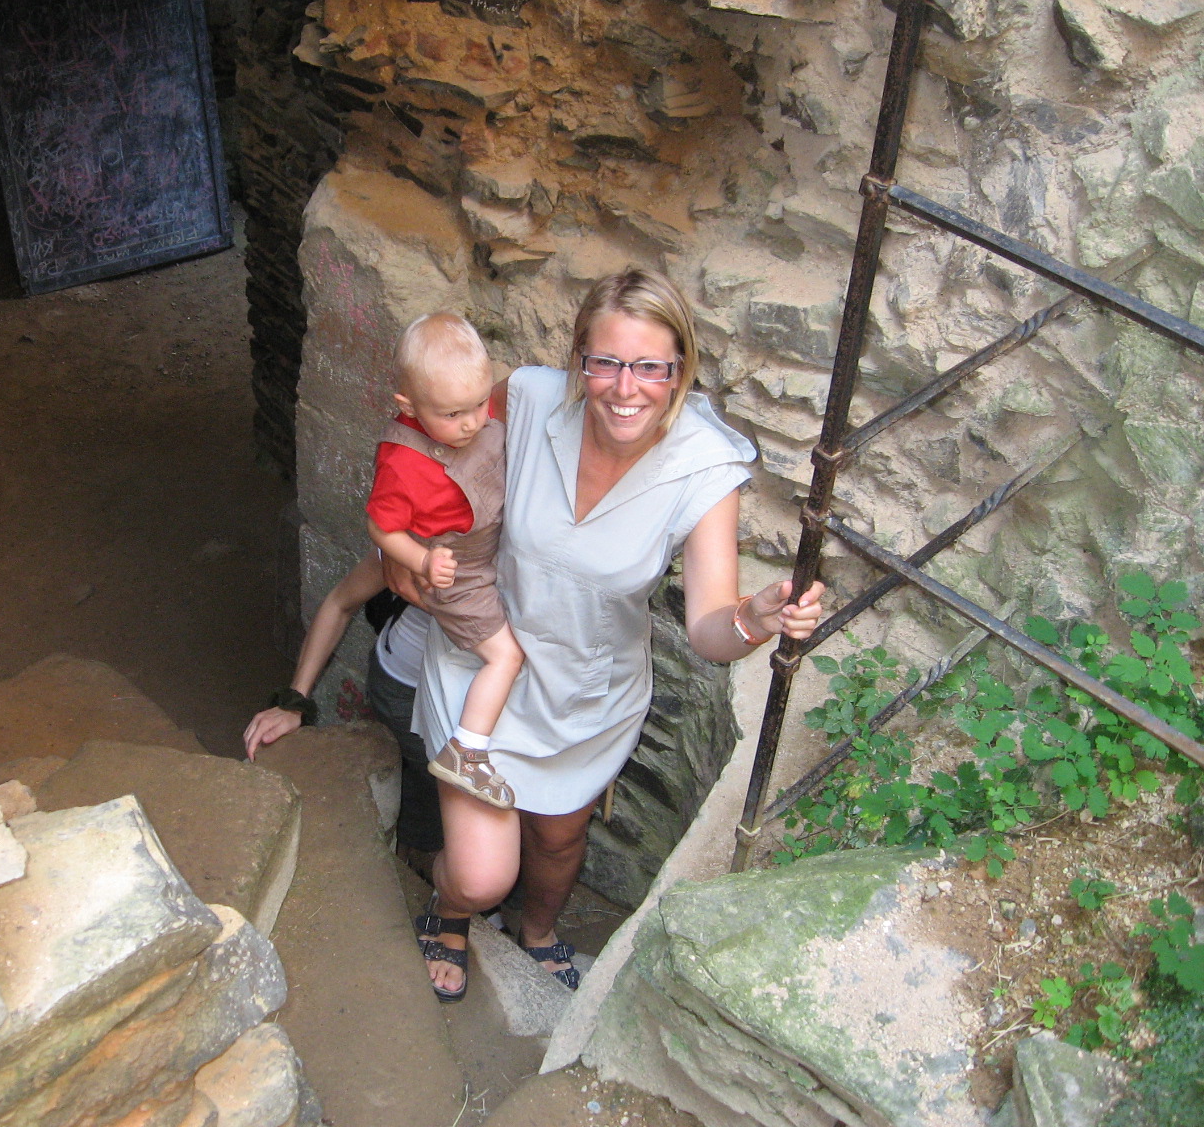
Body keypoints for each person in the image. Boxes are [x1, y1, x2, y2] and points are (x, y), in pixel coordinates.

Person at [393, 269, 825, 1003]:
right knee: (480, 873)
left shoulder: (705, 468)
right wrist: (395, 551)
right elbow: (423, 436)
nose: (627, 388)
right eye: (607, 362)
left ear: (680, 369)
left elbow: (709, 630)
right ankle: (453, 907)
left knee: (560, 837)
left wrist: (753, 620)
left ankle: (537, 934)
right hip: (486, 666)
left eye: (651, 366)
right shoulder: (529, 398)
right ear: (579, 361)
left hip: (587, 694)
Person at [367, 313, 524, 810]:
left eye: (479, 404)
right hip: (457, 573)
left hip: (490, 550)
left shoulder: (478, 417)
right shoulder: (402, 462)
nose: (472, 422)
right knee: (506, 656)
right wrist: (422, 559)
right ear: (408, 406)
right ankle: (467, 749)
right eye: (453, 414)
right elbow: (381, 527)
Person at [243, 553, 443, 859]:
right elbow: (340, 602)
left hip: (467, 705)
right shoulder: (423, 539)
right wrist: (294, 701)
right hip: (407, 690)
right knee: (434, 796)